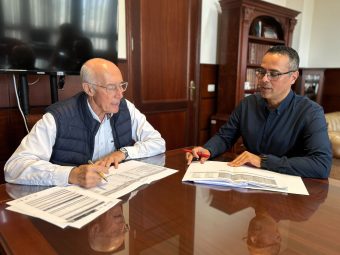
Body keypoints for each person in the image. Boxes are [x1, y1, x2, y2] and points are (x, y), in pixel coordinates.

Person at [4, 58, 165, 188]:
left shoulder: (125, 108)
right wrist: (72, 174)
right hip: (67, 206)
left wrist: (123, 152)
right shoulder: (58, 117)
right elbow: (14, 168)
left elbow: (158, 142)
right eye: (111, 87)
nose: (120, 94)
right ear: (89, 89)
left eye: (122, 86)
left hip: (112, 195)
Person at [187, 45, 332, 178]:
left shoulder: (311, 112)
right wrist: (208, 150)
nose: (264, 79)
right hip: (251, 183)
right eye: (261, 72)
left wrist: (263, 161)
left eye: (273, 74)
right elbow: (225, 137)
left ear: (293, 77)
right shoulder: (248, 104)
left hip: (290, 192)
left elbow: (321, 165)